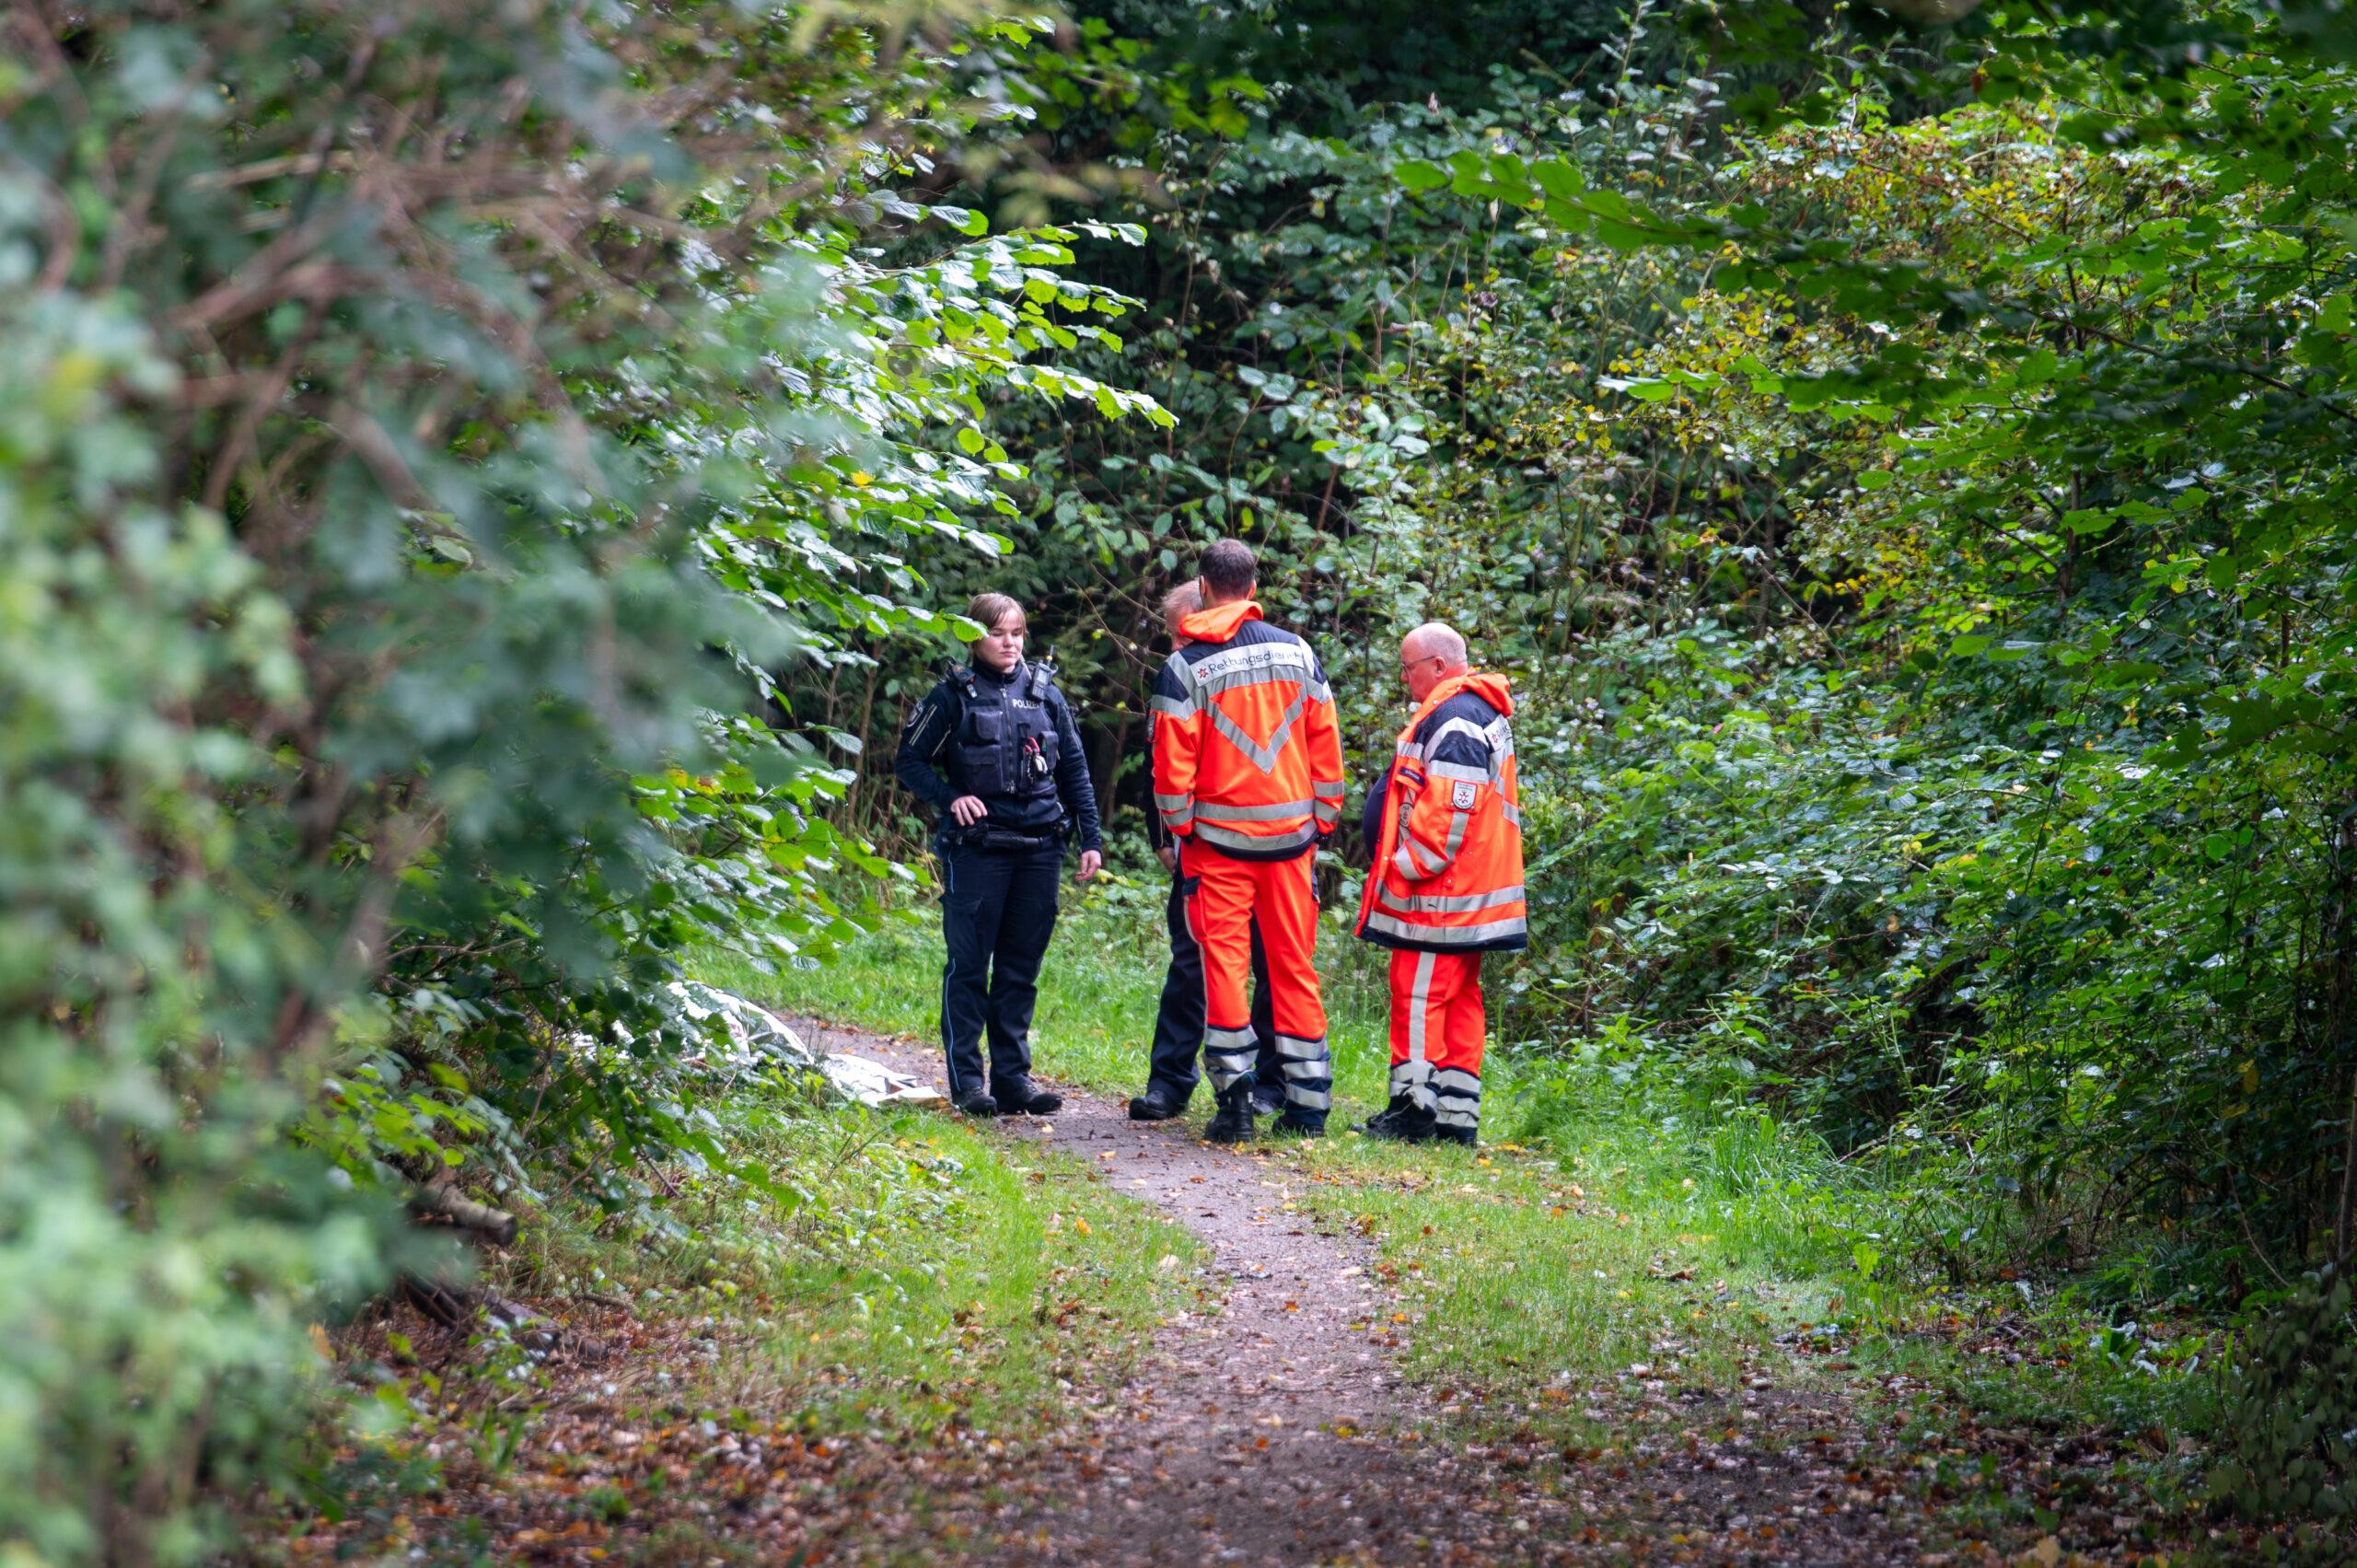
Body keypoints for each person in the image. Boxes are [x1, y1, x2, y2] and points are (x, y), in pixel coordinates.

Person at [1149, 540, 1345, 1143]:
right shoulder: (1299, 652)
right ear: (1253, 588)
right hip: (1291, 845)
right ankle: (1309, 1109)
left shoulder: (1185, 668)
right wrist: (1322, 817)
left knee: (1226, 971)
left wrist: (1184, 833)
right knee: (1293, 970)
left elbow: (1169, 773)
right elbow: (1326, 745)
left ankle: (1233, 1103)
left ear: (1203, 587)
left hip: (1218, 848)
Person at [894, 593, 1103, 1118]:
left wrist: (1091, 839)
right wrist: (950, 797)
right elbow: (909, 761)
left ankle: (1014, 1082)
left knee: (1019, 969)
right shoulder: (950, 697)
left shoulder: (1045, 694)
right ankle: (969, 1084)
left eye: (1017, 634)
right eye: (998, 633)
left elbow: (1075, 769)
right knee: (969, 967)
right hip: (979, 851)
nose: (1010, 644)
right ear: (973, 637)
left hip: (1040, 849)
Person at [1353, 621, 1527, 1145]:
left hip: (1441, 897)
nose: (1404, 679)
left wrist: (1400, 867)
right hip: (1467, 897)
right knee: (1460, 1002)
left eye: (1408, 668)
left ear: (1438, 666)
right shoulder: (1474, 710)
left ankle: (1414, 1111)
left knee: (1418, 997)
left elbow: (1446, 822)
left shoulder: (1454, 719)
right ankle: (1456, 1120)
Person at [1131, 581, 1280, 1123]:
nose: (1173, 646)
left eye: (1176, 633)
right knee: (1190, 966)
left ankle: (1267, 1084)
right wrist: (1165, 835)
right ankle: (1170, 1084)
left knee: (1267, 966)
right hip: (1200, 848)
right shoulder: (1180, 672)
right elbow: (1161, 765)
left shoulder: (1269, 664)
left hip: (1270, 851)